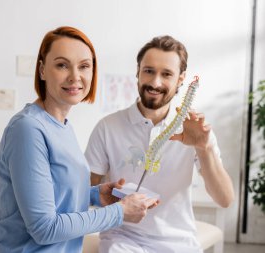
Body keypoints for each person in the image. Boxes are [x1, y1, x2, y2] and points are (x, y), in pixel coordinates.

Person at [0, 26, 158, 253]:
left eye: (84, 66)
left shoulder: (62, 126)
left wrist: (95, 195)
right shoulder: (28, 129)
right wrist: (120, 212)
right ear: (42, 70)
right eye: (62, 65)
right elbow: (44, 228)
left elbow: (53, 194)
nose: (75, 76)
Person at [85, 35, 235, 253]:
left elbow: (225, 199)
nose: (155, 83)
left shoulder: (195, 130)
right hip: (122, 240)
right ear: (137, 72)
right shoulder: (107, 127)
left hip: (179, 243)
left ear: (181, 79)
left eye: (166, 74)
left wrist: (205, 149)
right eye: (149, 71)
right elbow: (82, 192)